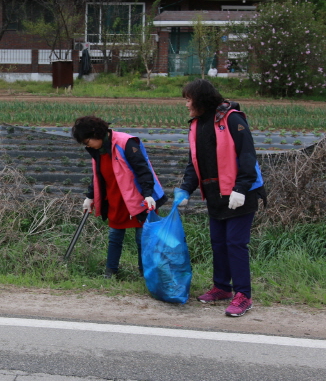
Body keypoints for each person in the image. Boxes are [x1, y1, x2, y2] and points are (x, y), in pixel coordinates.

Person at [174, 79, 265, 317]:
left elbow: (248, 155)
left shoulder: (232, 119)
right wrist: (185, 188)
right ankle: (222, 288)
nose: (186, 104)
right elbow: (195, 162)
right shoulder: (196, 124)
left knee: (235, 244)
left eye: (188, 99)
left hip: (239, 194)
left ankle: (243, 295)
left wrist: (242, 188)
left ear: (200, 99)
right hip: (215, 194)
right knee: (218, 243)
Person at [72, 116, 167, 278]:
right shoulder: (97, 150)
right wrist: (90, 196)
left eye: (86, 140)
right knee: (115, 237)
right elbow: (98, 175)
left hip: (138, 198)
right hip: (115, 198)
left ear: (95, 133)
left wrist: (148, 194)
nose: (86, 145)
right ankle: (111, 272)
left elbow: (143, 170)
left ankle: (145, 273)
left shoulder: (126, 143)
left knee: (142, 238)